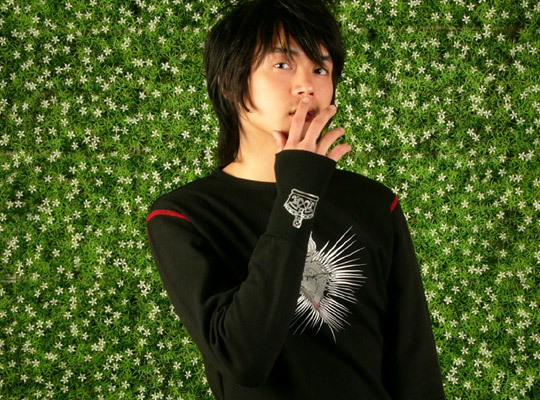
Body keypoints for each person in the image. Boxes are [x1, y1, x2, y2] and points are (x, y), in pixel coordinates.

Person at [146, 0, 446, 398]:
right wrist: (299, 191)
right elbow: (244, 358)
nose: (307, 85)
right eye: (282, 64)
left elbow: (415, 366)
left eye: (320, 69)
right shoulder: (184, 216)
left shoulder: (375, 204)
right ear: (229, 83)